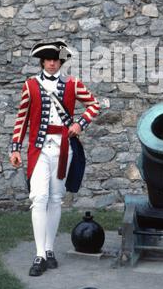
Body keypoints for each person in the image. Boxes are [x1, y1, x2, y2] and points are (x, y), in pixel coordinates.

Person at [9, 39, 100, 276]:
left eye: (55, 59)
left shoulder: (73, 83)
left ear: (61, 61)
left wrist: (80, 124)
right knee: (39, 198)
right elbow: (22, 118)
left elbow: (94, 105)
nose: (51, 63)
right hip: (38, 149)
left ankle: (50, 250)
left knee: (56, 199)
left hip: (64, 149)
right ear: (42, 61)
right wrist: (15, 147)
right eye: (48, 59)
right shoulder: (30, 85)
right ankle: (39, 255)